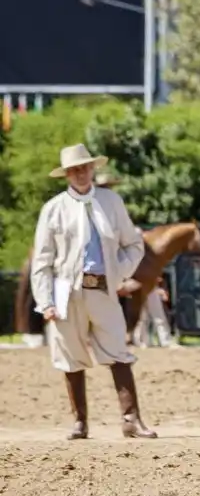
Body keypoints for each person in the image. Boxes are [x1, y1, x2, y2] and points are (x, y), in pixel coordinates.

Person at [30, 144, 155, 440]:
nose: (81, 173)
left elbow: (134, 245)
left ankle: (131, 420)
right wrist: (45, 300)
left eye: (85, 167)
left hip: (103, 288)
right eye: (74, 169)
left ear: (93, 169)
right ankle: (80, 422)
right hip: (66, 291)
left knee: (119, 352)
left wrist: (118, 273)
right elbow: (42, 261)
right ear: (66, 175)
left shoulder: (111, 201)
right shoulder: (54, 209)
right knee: (70, 354)